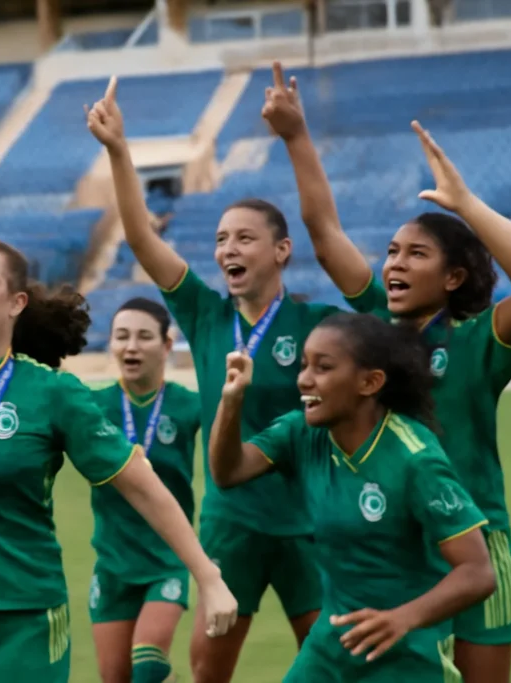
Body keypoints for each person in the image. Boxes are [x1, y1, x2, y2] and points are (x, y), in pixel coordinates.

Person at [0, 124, 237, 683]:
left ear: (15, 303)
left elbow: (140, 482)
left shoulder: (54, 394)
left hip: (24, 614)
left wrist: (208, 576)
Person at [263, 61, 511, 683]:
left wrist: (465, 204)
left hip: (476, 546)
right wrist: (296, 136)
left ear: (453, 278)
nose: (394, 263)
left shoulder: (477, 341)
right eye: (392, 252)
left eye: (416, 254)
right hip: (399, 551)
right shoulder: (372, 331)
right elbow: (324, 234)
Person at [87, 76, 331, 683]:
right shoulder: (204, 314)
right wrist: (119, 151)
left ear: (282, 251)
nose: (228, 250)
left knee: (334, 663)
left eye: (245, 238)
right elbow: (141, 238)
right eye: (221, 240)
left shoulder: (317, 326)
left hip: (308, 521)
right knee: (207, 670)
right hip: (231, 524)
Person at [209, 312, 496, 681]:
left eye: (323, 367)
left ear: (370, 382)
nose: (304, 379)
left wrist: (401, 619)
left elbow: (477, 572)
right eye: (303, 365)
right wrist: (231, 401)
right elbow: (229, 472)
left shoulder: (415, 459)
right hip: (331, 646)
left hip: (406, 654)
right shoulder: (301, 433)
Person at [88, 297, 202, 683]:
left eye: (143, 337)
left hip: (166, 559)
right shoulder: (92, 406)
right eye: (121, 336)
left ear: (167, 345)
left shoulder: (188, 405)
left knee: (149, 663)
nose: (131, 346)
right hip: (112, 562)